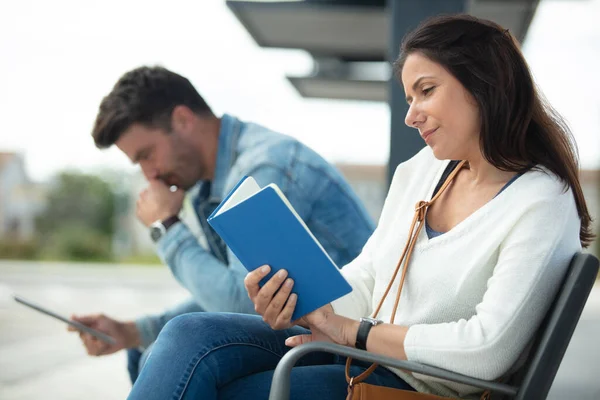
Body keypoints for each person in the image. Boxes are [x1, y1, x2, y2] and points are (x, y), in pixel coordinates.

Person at [125, 14, 595, 400]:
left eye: (426, 91)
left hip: (417, 385)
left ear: (485, 85)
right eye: (409, 98)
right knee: (188, 335)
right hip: (366, 358)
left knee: (229, 393)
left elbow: (487, 348)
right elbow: (370, 273)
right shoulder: (422, 172)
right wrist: (305, 304)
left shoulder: (541, 202)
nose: (411, 115)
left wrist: (355, 333)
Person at [68, 65, 376, 383]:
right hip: (305, 331)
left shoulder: (262, 169)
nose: (150, 174)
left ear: (183, 120)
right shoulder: (211, 186)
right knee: (145, 348)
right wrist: (133, 331)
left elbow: (240, 305)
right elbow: (232, 291)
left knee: (168, 352)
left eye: (147, 155)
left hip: (350, 345)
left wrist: (166, 226)